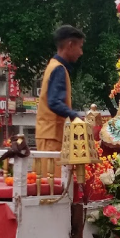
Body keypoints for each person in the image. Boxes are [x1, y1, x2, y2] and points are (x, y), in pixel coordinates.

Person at [35, 25, 86, 177]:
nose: (81, 52)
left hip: (49, 134)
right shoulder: (58, 69)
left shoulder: (54, 66)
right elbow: (54, 102)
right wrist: (74, 115)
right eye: (80, 47)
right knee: (53, 184)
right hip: (52, 135)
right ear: (70, 45)